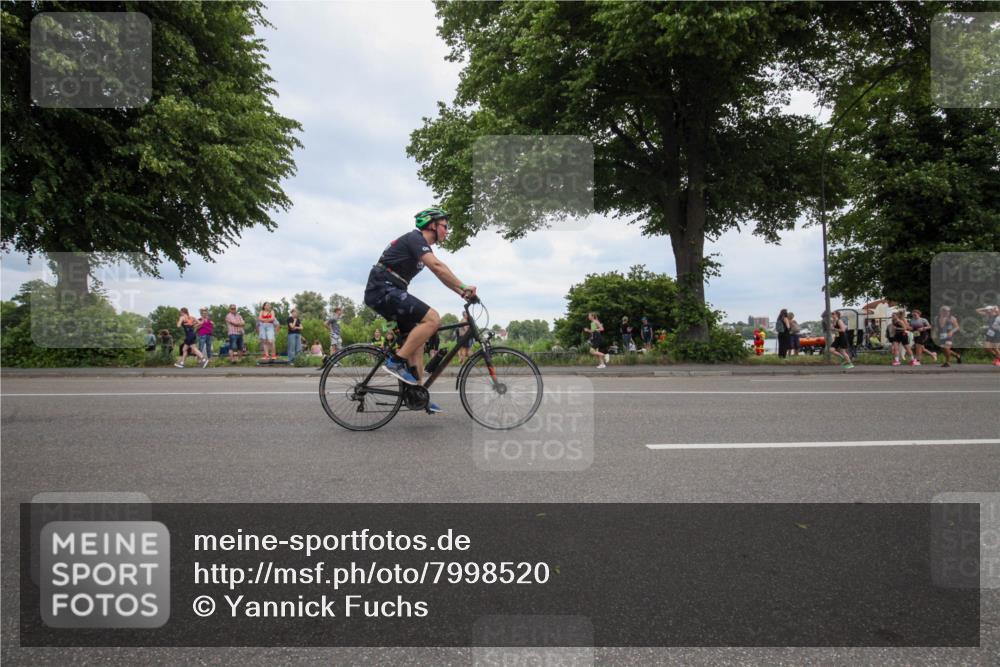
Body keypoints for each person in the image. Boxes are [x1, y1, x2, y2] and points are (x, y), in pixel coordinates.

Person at [363, 206, 477, 415]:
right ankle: (395, 362)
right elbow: (437, 267)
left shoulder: (421, 245)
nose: (447, 231)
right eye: (444, 226)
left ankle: (417, 392)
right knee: (433, 319)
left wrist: (461, 293)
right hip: (382, 289)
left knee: (418, 339)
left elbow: (440, 275)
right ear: (432, 225)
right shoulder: (415, 239)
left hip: (389, 289)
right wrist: (463, 286)